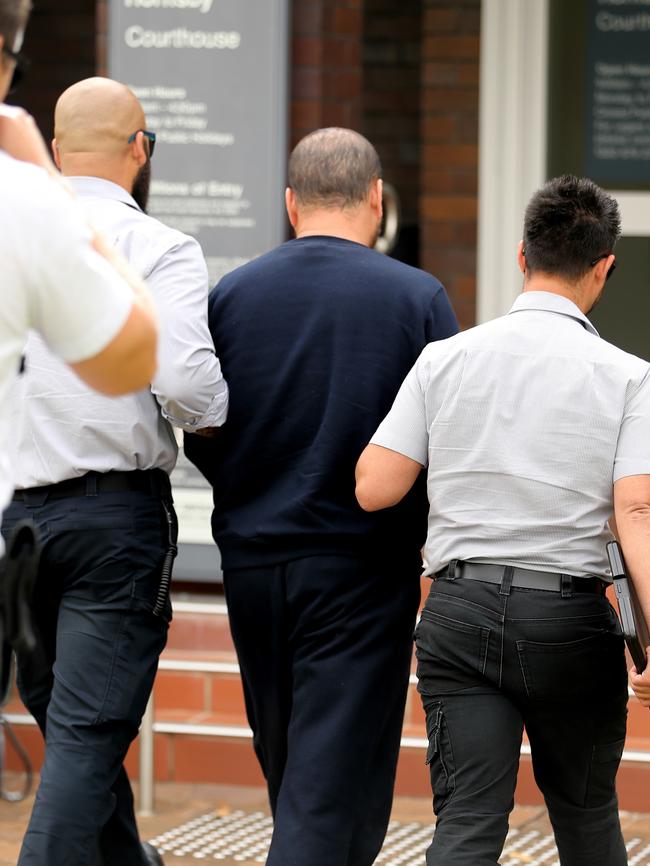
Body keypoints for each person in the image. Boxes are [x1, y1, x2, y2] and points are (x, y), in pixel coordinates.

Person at [355, 174, 650, 866]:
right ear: (604, 266)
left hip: (460, 611)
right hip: (569, 623)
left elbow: (375, 487)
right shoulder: (629, 376)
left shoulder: (444, 359)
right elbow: (635, 507)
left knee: (467, 821)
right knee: (585, 817)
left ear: (523, 257)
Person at [186, 127, 458, 866]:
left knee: (292, 769)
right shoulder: (415, 298)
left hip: (250, 564)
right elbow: (448, 444)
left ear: (289, 203)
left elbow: (201, 430)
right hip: (360, 570)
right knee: (329, 781)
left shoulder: (232, 295)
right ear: (377, 199)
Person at [2, 75, 229, 866]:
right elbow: (194, 387)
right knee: (85, 731)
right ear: (142, 151)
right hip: (112, 520)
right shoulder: (158, 248)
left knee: (66, 724)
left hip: (13, 525)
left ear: (58, 152)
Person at [0, 2, 158, 683]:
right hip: (106, 513)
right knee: (86, 726)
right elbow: (140, 353)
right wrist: (47, 183)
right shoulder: (25, 200)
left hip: (31, 515)